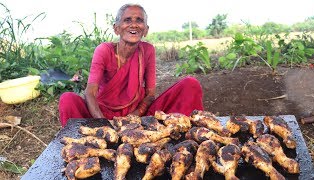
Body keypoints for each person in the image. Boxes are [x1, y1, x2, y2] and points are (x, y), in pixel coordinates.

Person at [58, 3, 204, 127]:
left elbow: (150, 95)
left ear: (146, 29)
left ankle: (186, 139)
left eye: (139, 20)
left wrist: (132, 119)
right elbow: (90, 93)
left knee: (190, 85)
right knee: (68, 99)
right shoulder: (104, 50)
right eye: (127, 20)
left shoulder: (148, 50)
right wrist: (105, 125)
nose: (134, 24)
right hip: (101, 115)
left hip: (138, 116)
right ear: (116, 28)